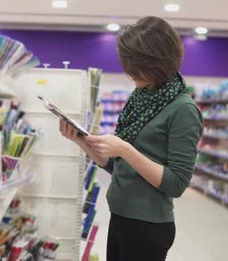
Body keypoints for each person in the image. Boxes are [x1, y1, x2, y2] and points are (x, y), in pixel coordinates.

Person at [59, 16, 203, 261]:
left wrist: (125, 149)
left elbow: (176, 183)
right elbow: (119, 167)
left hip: (147, 227)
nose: (130, 72)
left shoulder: (184, 110)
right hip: (120, 215)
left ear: (158, 61)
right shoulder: (141, 98)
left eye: (136, 65)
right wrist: (82, 141)